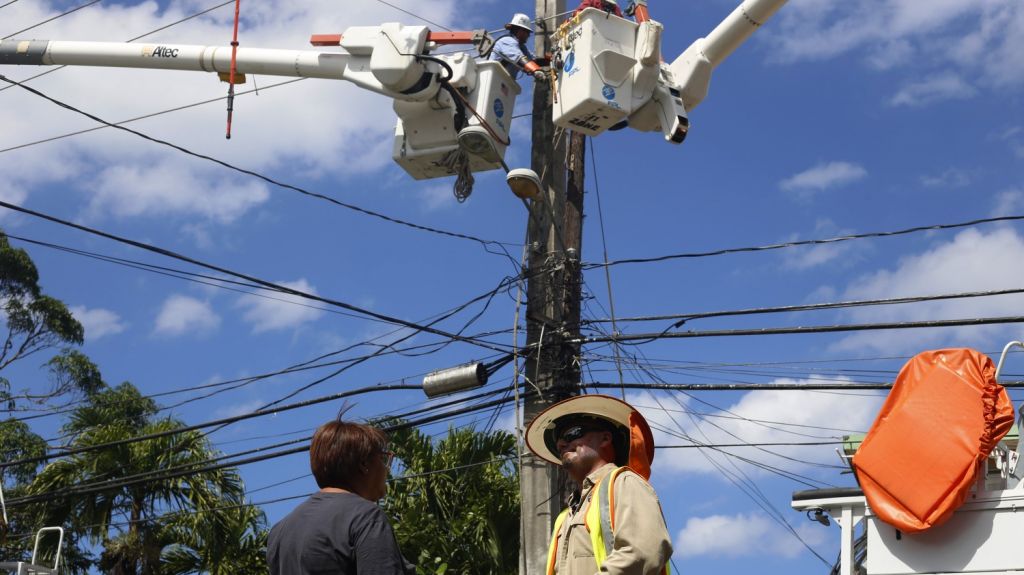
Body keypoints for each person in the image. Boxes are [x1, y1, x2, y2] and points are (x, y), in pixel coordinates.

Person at [525, 394, 672, 574]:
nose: (562, 443)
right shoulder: (564, 518)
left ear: (605, 439)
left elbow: (642, 551)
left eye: (573, 433)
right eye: (559, 442)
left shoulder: (624, 483)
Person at [267, 416, 413, 575]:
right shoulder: (365, 517)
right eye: (384, 458)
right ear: (364, 464)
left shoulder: (279, 532)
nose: (387, 469)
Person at [489, 13, 547, 81]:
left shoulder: (521, 47)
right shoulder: (507, 41)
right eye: (527, 32)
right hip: (493, 79)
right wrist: (536, 70)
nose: (528, 35)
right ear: (519, 30)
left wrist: (549, 60)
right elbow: (519, 58)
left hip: (504, 83)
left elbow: (533, 61)